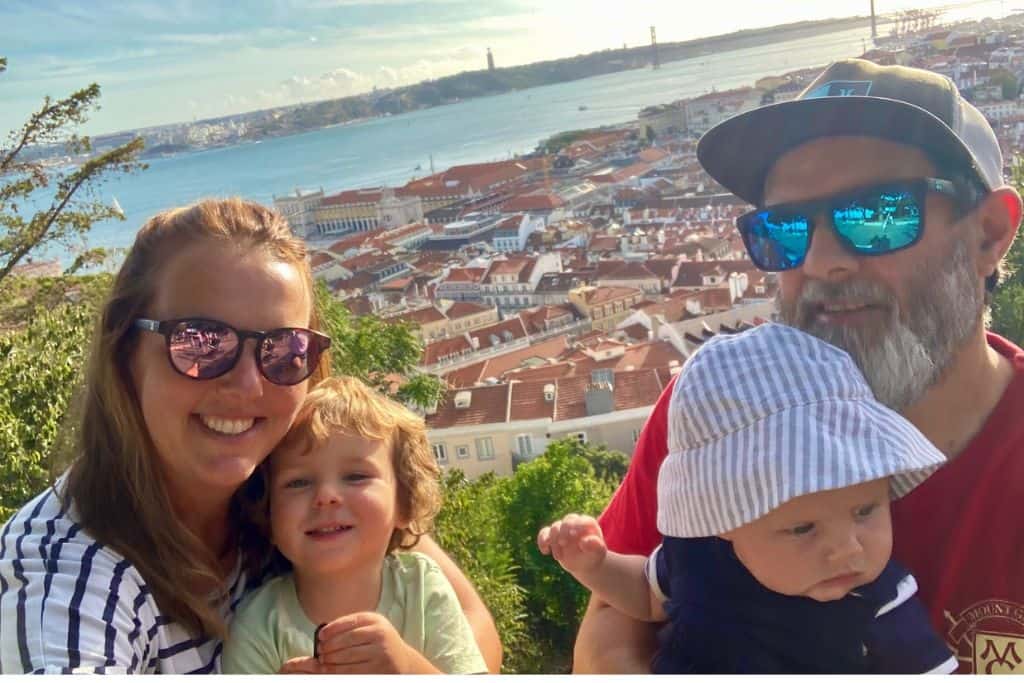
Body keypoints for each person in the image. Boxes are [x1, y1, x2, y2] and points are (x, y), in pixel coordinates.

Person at [575, 58, 1024, 675]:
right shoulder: (717, 408)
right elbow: (615, 620)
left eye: (877, 215)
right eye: (784, 229)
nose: (821, 261)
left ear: (990, 234)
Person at [0, 198, 501, 674]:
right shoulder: (70, 586)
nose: (247, 384)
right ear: (125, 352)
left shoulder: (299, 472)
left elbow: (473, 631)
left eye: (283, 350)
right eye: (200, 342)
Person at [542, 324, 954, 673]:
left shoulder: (880, 598)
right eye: (802, 527)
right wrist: (595, 565)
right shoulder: (695, 558)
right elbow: (644, 596)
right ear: (723, 521)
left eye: (865, 510)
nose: (848, 547)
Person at [221, 376, 487, 674]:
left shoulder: (421, 587)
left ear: (405, 503)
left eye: (356, 476)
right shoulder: (258, 625)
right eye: (298, 482)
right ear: (267, 513)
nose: (326, 497)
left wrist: (408, 667)